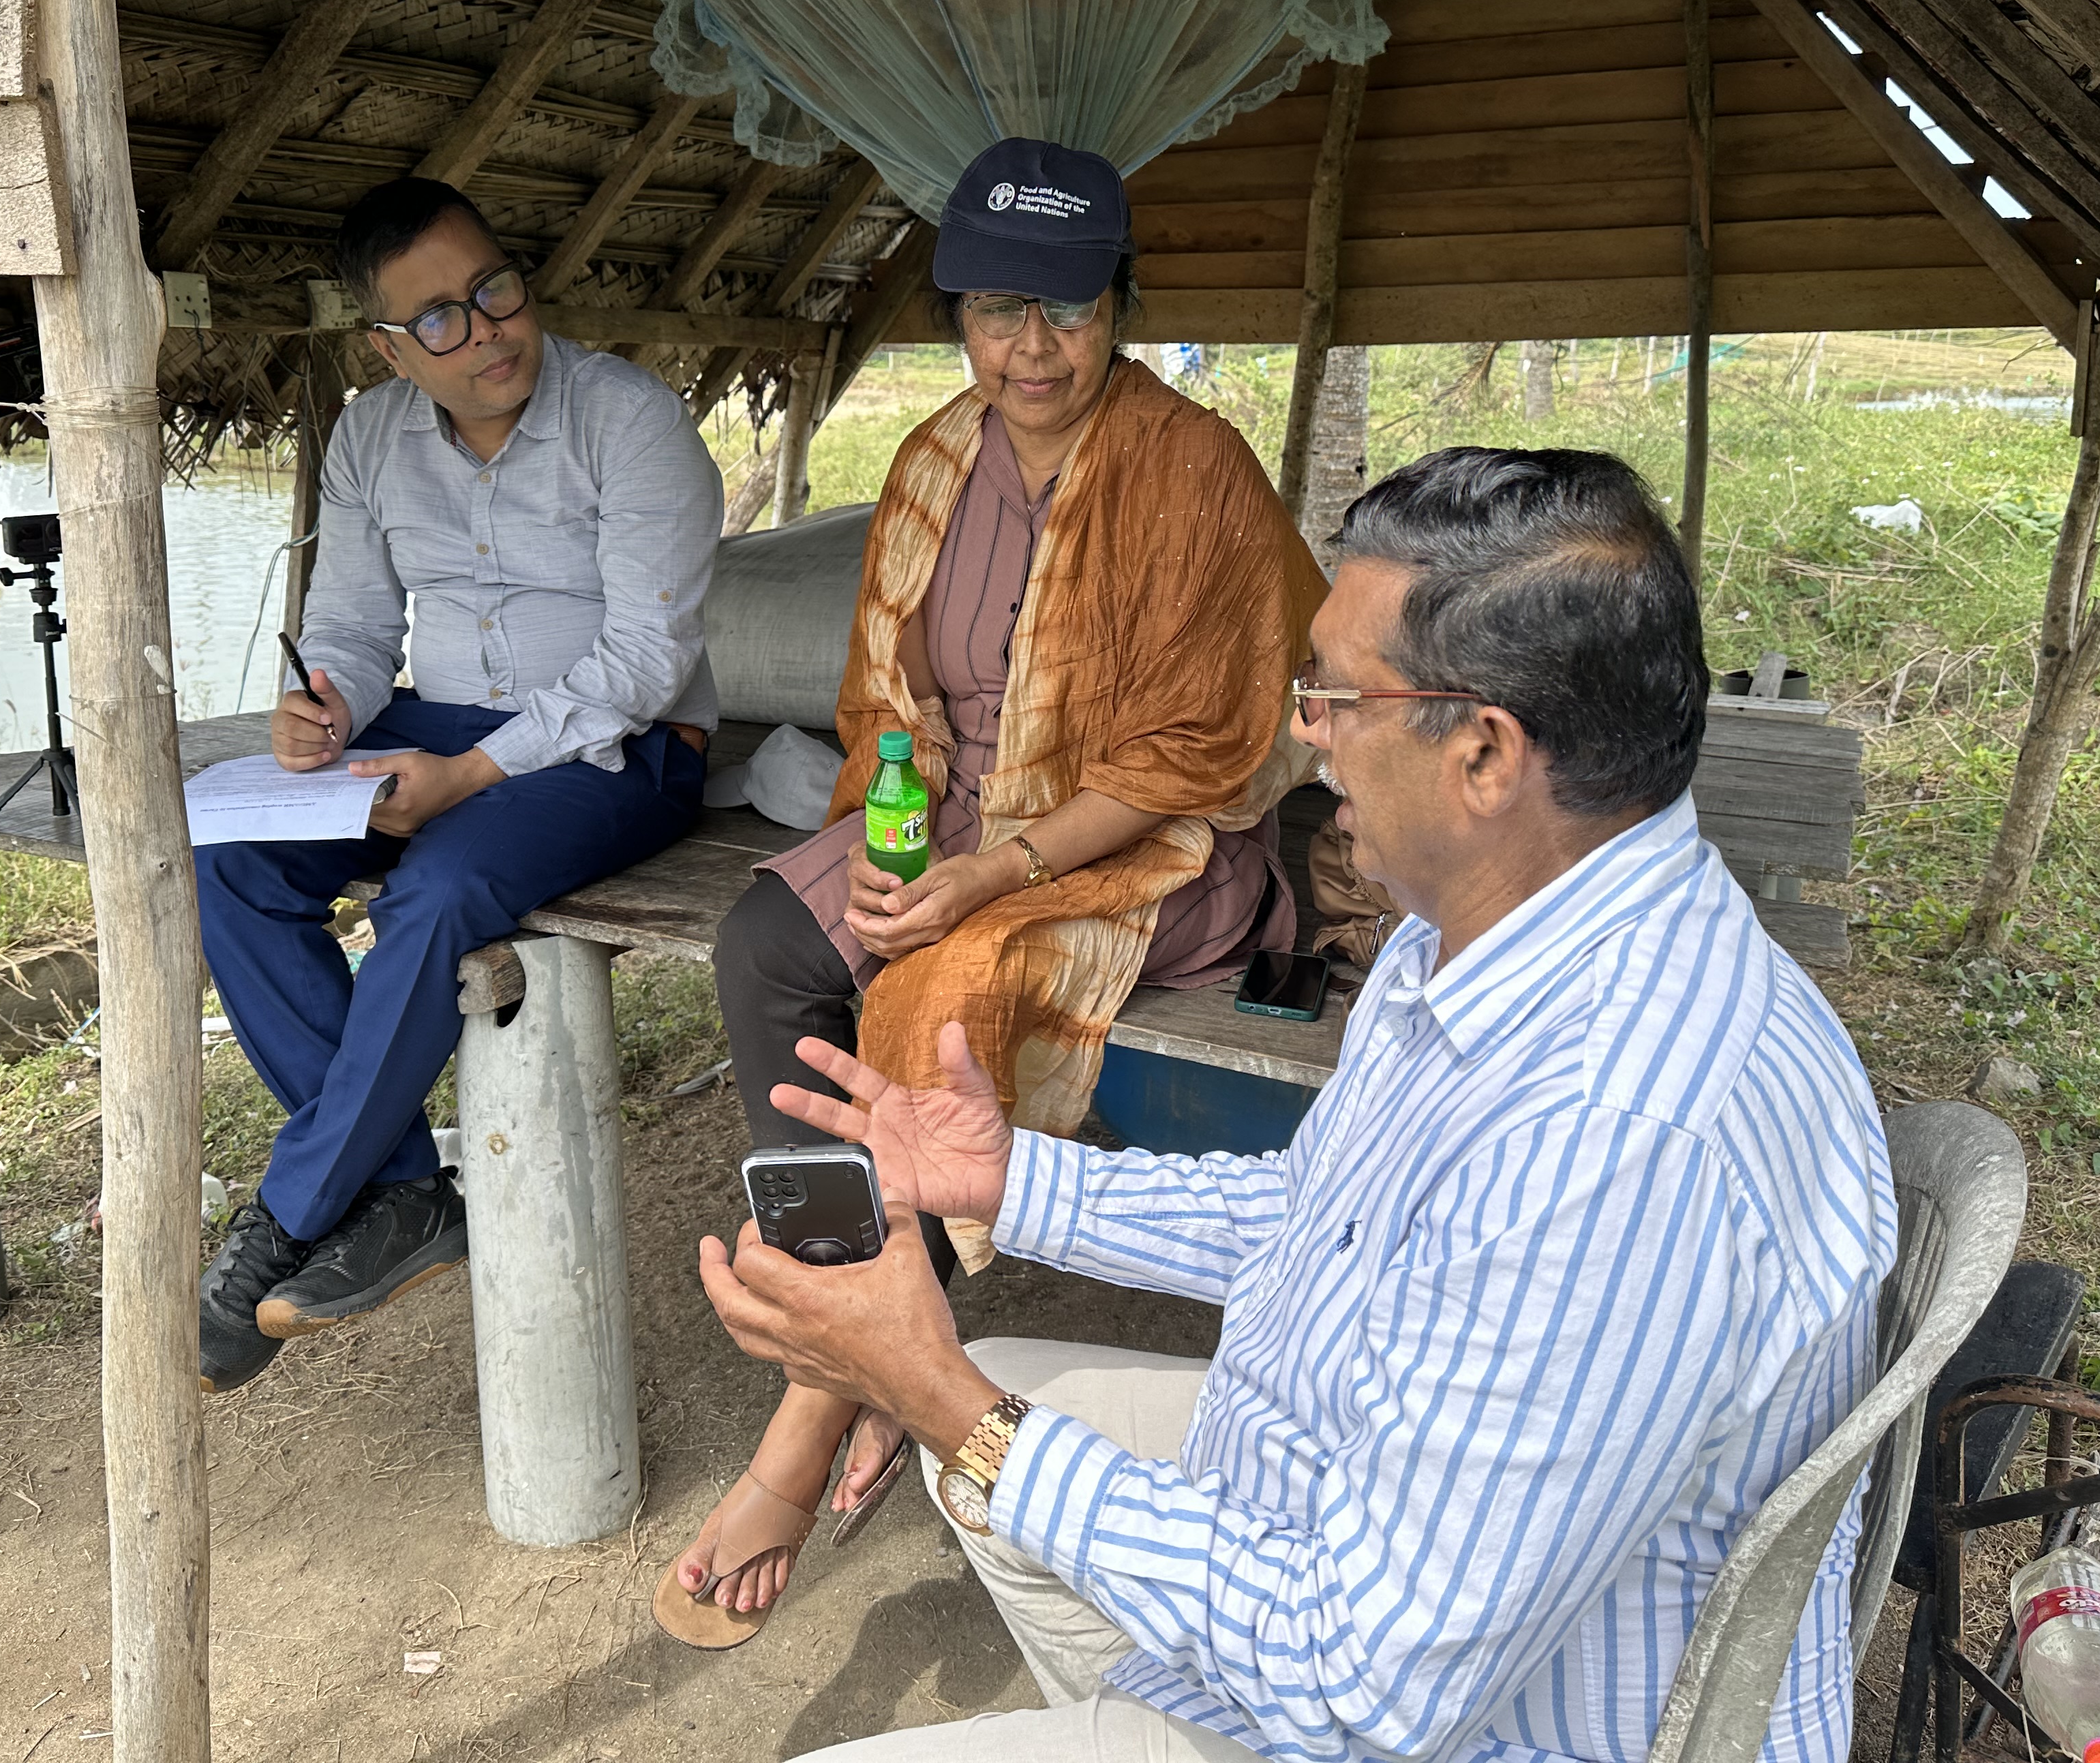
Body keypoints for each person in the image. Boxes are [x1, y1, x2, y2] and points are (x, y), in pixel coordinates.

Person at [697, 446, 1900, 1763]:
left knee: (982, 1442)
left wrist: (940, 1396)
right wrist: (1014, 1184)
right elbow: (1319, 1209)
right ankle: (1147, 1714)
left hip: (1446, 1713)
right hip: (1348, 1528)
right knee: (989, 1453)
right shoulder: (1479, 932)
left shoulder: (1620, 1140)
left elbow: (1365, 1683)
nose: (1303, 732)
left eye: (1331, 694)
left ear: (1486, 754)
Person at [656, 138, 1331, 1646]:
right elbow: (894, 698)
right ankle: (878, 1300)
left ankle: (827, 1390)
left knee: (933, 985)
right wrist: (904, 832)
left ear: (1120, 305)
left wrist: (986, 875)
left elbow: (1193, 751)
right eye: (995, 311)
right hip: (958, 820)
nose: (1033, 348)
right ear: (956, 314)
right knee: (772, 937)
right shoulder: (935, 460)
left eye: (1069, 310)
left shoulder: (1194, 468)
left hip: (1141, 848)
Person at [191, 177, 722, 1395]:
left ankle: (291, 1208)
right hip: (442, 728)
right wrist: (325, 702)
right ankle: (400, 1195)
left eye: (494, 289)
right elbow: (359, 630)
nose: (484, 330)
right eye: (438, 318)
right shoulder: (370, 439)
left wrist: (468, 775)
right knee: (235, 859)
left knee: (437, 887)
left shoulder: (630, 422)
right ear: (386, 348)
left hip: (626, 749)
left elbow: (644, 667)